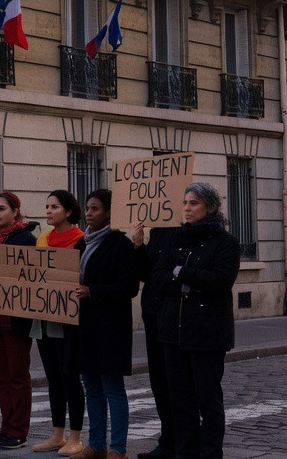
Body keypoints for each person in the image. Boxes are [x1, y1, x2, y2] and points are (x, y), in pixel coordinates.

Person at [156, 182, 240, 459]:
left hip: (207, 333)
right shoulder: (176, 239)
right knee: (180, 400)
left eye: (194, 203)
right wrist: (184, 281)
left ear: (210, 207)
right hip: (174, 331)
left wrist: (180, 272)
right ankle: (185, 450)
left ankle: (210, 452)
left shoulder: (225, 242)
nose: (187, 208)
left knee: (208, 400)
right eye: (185, 203)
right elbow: (158, 278)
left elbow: (219, 281)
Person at [71, 189, 139, 459]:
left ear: (109, 212)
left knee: (113, 388)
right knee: (91, 387)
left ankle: (118, 448)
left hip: (111, 327)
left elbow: (129, 287)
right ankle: (96, 444)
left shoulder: (120, 245)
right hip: (85, 326)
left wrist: (93, 291)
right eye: (87, 208)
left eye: (95, 208)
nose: (88, 213)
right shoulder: (81, 243)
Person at [0, 191, 39, 451]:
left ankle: (19, 430)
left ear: (15, 211)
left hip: (15, 317)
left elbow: (32, 277)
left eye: (2, 208)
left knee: (17, 374)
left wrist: (4, 277)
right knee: (0, 375)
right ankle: (6, 426)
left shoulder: (27, 239)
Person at [34, 190, 87, 455]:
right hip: (45, 317)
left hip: (68, 319)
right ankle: (57, 435)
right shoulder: (43, 238)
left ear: (68, 211)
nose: (48, 211)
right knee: (53, 377)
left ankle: (76, 437)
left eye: (54, 207)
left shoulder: (81, 240)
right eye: (46, 206)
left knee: (69, 375)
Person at [130, 214, 181, 459]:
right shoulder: (159, 230)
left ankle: (182, 441)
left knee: (176, 381)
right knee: (159, 380)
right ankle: (168, 440)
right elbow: (145, 273)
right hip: (153, 311)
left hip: (175, 314)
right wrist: (138, 246)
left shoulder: (184, 231)